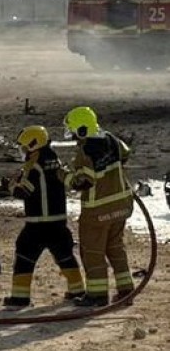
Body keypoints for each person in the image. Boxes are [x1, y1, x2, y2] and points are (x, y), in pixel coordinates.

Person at [0, 125, 86, 308]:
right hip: (58, 223)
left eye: (24, 147)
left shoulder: (35, 166)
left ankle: (20, 298)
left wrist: (10, 187)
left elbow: (24, 192)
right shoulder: (53, 159)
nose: (22, 151)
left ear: (33, 145)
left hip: (38, 224)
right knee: (65, 256)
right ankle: (78, 290)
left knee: (24, 257)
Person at [64, 106, 135, 306]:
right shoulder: (112, 139)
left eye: (73, 131)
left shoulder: (85, 150)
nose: (73, 136)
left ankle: (97, 295)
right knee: (115, 249)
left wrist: (64, 175)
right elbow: (125, 154)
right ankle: (126, 291)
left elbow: (83, 182)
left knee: (92, 252)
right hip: (122, 206)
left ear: (82, 129)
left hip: (97, 212)